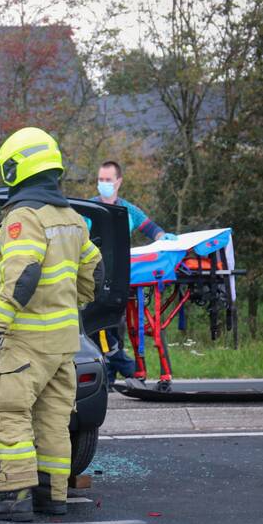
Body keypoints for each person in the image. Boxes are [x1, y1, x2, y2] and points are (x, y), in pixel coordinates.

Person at [0, 127, 103, 522]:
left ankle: (13, 496)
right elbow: (94, 272)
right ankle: (51, 495)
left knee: (10, 411)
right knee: (53, 418)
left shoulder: (23, 218)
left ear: (18, 168)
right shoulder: (72, 219)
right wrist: (70, 304)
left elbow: (22, 276)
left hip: (27, 339)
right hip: (64, 343)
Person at [93, 160, 176, 389]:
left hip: (121, 279)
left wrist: (163, 238)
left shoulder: (129, 210)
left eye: (108, 180)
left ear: (118, 182)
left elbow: (152, 229)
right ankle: (127, 368)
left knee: (115, 330)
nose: (103, 184)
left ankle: (108, 380)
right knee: (100, 330)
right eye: (100, 180)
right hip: (95, 280)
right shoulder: (89, 209)